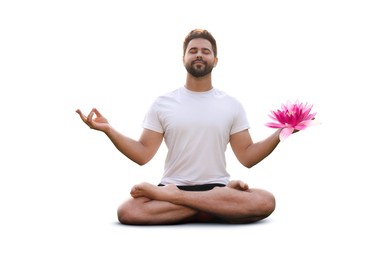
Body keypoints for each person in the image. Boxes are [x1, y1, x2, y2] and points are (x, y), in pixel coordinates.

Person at [76, 29, 285, 225]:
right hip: (174, 186)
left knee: (266, 201)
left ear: (216, 60)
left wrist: (280, 133)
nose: (199, 55)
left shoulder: (232, 104)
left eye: (206, 51)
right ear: (183, 58)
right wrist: (109, 130)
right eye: (193, 51)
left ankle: (183, 200)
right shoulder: (163, 103)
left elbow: (247, 157)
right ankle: (217, 207)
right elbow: (143, 154)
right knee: (127, 211)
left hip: (214, 187)